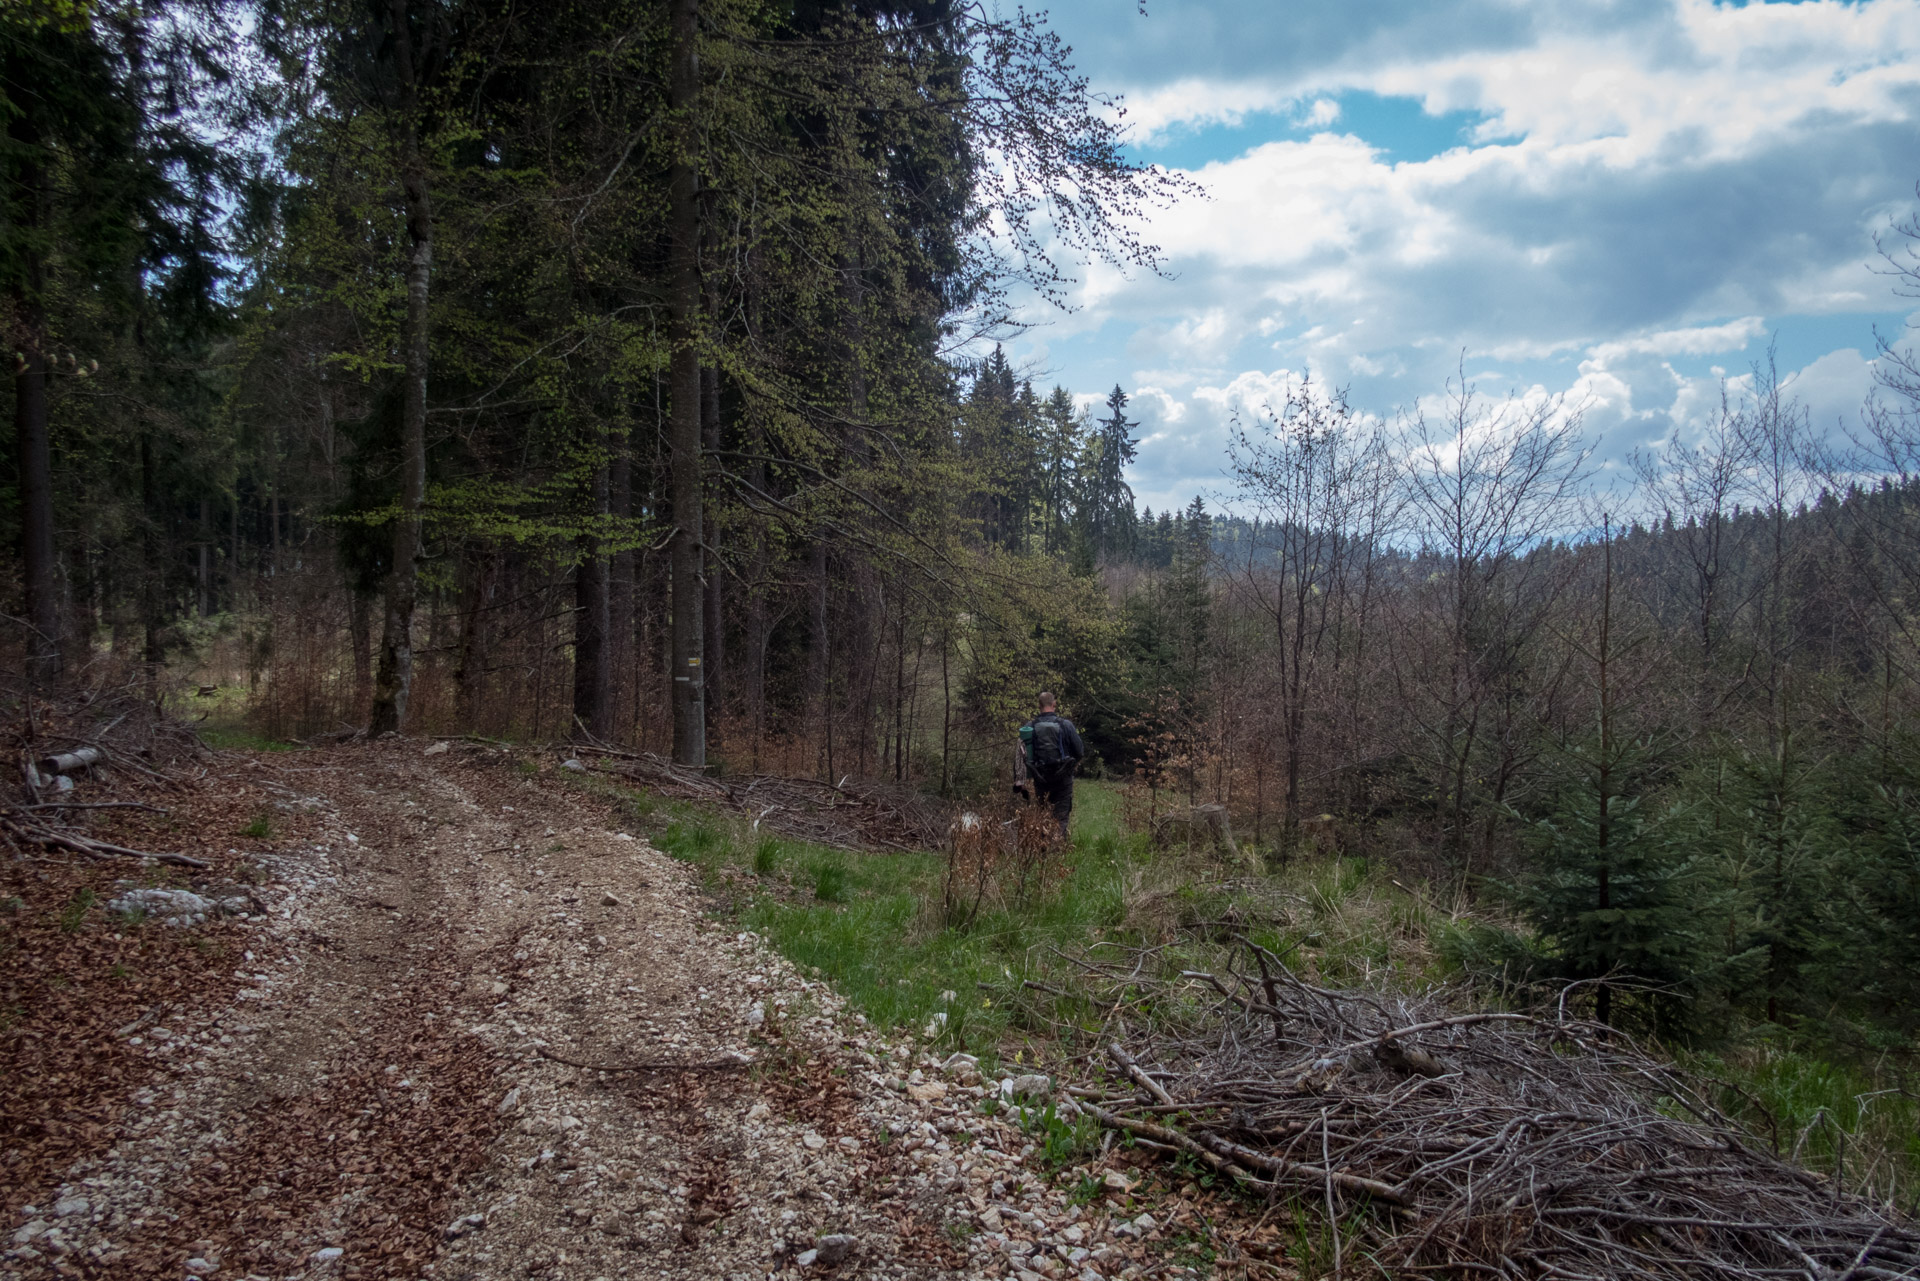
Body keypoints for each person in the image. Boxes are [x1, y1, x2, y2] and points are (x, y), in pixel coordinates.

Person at [1017, 692, 1085, 839]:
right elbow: (1079, 752)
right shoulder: (1066, 725)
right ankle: (1056, 850)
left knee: (1044, 814)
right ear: (1054, 704)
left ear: (1039, 706)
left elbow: (1021, 756)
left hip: (1040, 779)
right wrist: (1069, 765)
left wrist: (1021, 781)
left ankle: (1043, 851)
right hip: (1063, 781)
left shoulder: (1029, 728)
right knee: (1060, 817)